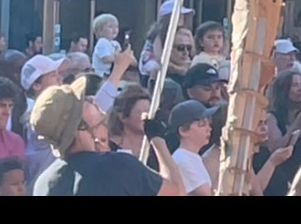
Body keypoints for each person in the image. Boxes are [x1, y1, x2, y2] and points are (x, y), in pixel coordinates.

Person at [31, 84, 187, 195]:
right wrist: (157, 139)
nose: (91, 101)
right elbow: (177, 192)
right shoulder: (118, 166)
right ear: (80, 128)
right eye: (83, 102)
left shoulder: (43, 184)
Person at [166, 100, 215, 196]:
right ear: (183, 131)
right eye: (202, 124)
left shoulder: (192, 157)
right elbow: (207, 193)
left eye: (209, 123)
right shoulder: (183, 159)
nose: (209, 129)